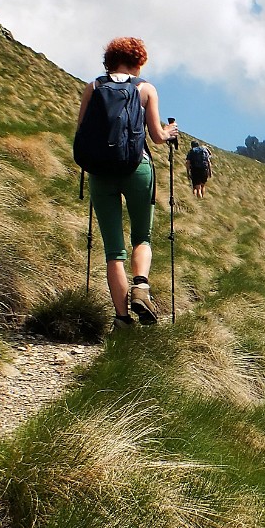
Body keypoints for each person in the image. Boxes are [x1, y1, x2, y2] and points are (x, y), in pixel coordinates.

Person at [76, 36, 179, 329]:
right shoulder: (145, 89)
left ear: (110, 60)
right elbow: (157, 138)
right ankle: (141, 287)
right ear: (138, 60)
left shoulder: (93, 87)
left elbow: (82, 131)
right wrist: (170, 131)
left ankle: (122, 320)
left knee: (113, 252)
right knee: (142, 237)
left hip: (99, 172)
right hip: (138, 168)